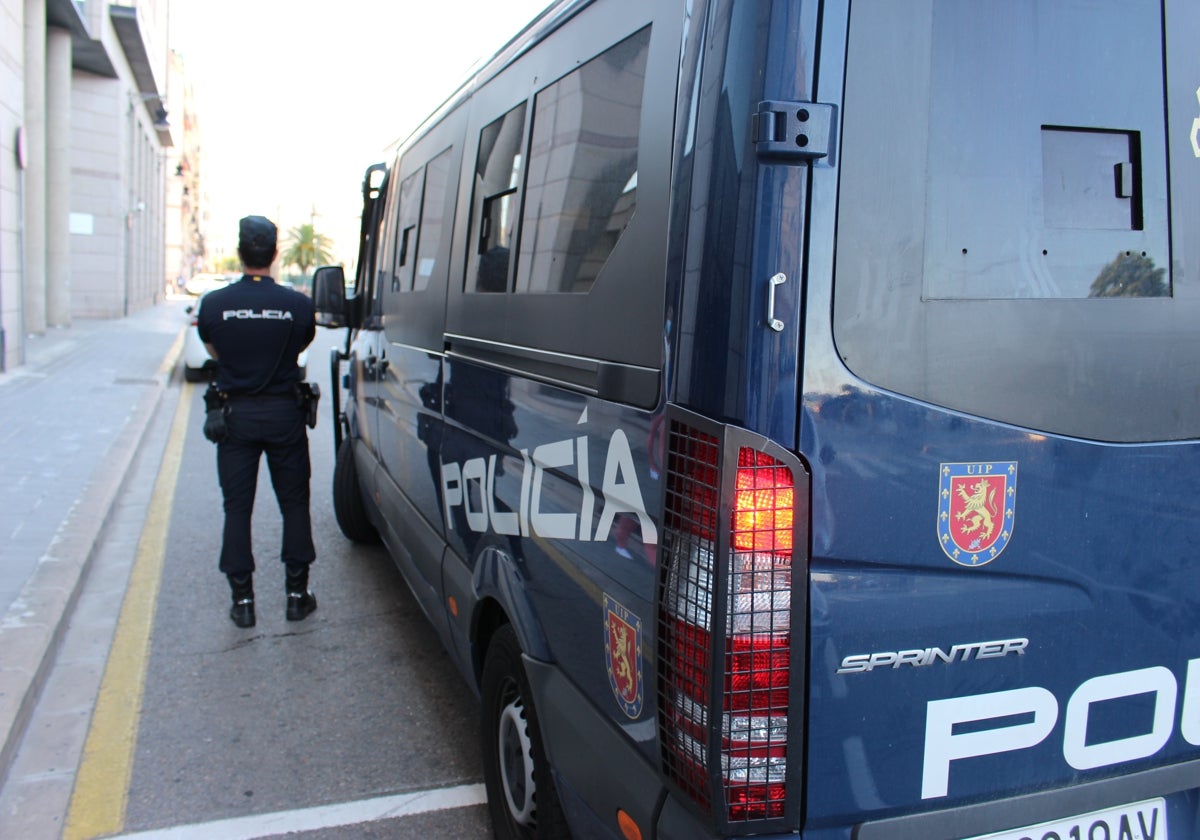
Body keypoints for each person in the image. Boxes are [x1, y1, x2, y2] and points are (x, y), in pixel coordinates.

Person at [196, 215, 317, 628]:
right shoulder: (298, 305)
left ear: (239, 251)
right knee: (295, 504)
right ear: (275, 252)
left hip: (237, 417)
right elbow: (300, 346)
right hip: (284, 414)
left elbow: (214, 350)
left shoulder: (213, 305)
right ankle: (297, 596)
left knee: (237, 508)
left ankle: (243, 602)